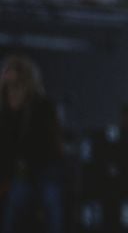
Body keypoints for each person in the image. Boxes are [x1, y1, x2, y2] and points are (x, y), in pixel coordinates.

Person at [0, 53, 65, 233]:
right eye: (8, 87)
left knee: (50, 200)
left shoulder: (43, 107)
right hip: (19, 173)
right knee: (16, 201)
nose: (12, 92)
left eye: (16, 86)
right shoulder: (5, 112)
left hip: (44, 170)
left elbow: (49, 148)